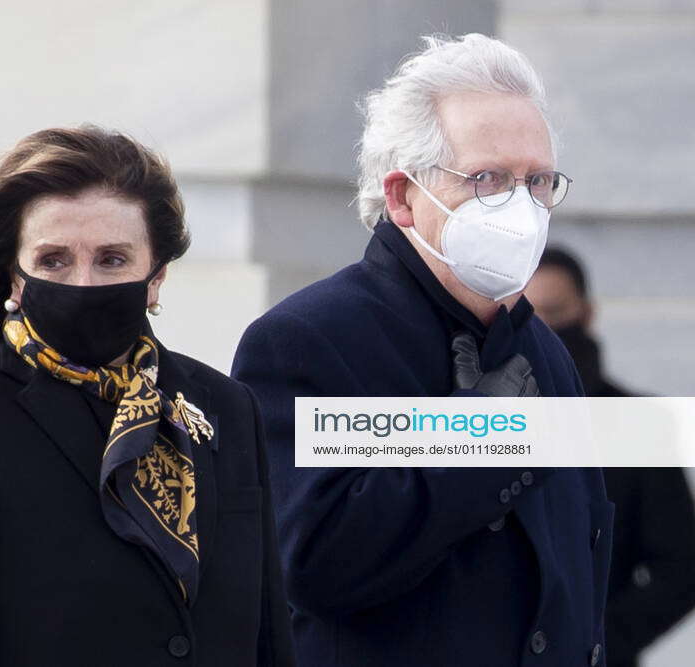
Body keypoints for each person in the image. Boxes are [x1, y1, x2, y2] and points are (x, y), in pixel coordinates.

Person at [232, 34, 612, 666]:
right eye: (488, 177)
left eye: (538, 180)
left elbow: (581, 560)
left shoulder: (543, 350)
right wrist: (469, 441)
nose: (520, 204)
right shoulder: (308, 340)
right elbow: (312, 565)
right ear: (405, 196)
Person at [0, 126, 295, 666]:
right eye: (54, 260)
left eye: (112, 259)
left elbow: (268, 628)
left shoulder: (224, 405)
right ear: (14, 278)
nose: (83, 283)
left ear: (156, 278)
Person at [526, 246, 695, 667]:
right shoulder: (473, 419)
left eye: (556, 312)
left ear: (586, 314)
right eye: (529, 317)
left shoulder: (640, 423)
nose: (545, 331)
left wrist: (600, 640)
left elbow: (681, 567)